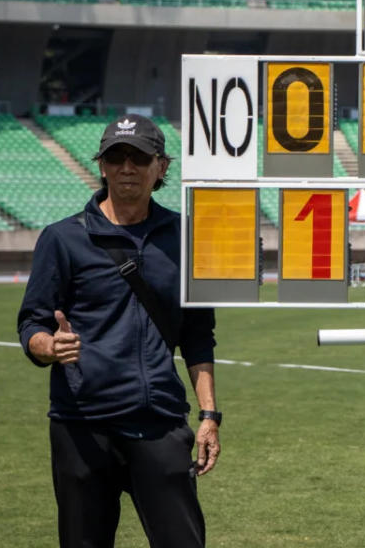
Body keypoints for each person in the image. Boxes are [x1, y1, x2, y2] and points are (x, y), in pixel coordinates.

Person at [17, 114, 220, 548]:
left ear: (161, 167)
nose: (127, 167)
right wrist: (48, 346)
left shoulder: (186, 238)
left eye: (139, 157)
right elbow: (31, 322)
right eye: (116, 156)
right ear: (102, 165)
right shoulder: (62, 238)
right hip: (82, 426)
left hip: (160, 423)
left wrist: (208, 416)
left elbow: (199, 334)